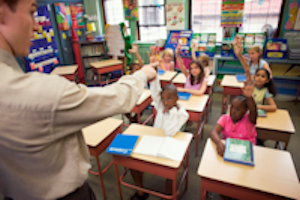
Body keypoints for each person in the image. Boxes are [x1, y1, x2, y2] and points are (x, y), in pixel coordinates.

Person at [0, 1, 158, 200]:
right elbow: (117, 97)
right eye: (31, 12)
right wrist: (142, 75)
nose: (36, 25)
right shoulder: (38, 92)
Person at [130, 56, 189, 200]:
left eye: (169, 99)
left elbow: (169, 132)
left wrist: (170, 113)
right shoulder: (161, 104)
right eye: (163, 99)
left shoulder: (182, 114)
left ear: (177, 98)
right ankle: (140, 191)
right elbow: (155, 93)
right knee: (132, 161)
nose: (165, 102)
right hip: (154, 140)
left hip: (170, 143)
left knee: (169, 171)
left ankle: (168, 195)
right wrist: (154, 75)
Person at [210, 82, 257, 156]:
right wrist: (219, 143)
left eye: (238, 109)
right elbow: (213, 132)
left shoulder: (249, 119)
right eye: (231, 107)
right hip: (229, 151)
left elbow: (254, 111)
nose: (233, 112)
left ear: (245, 111)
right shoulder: (225, 118)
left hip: (246, 153)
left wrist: (249, 97)